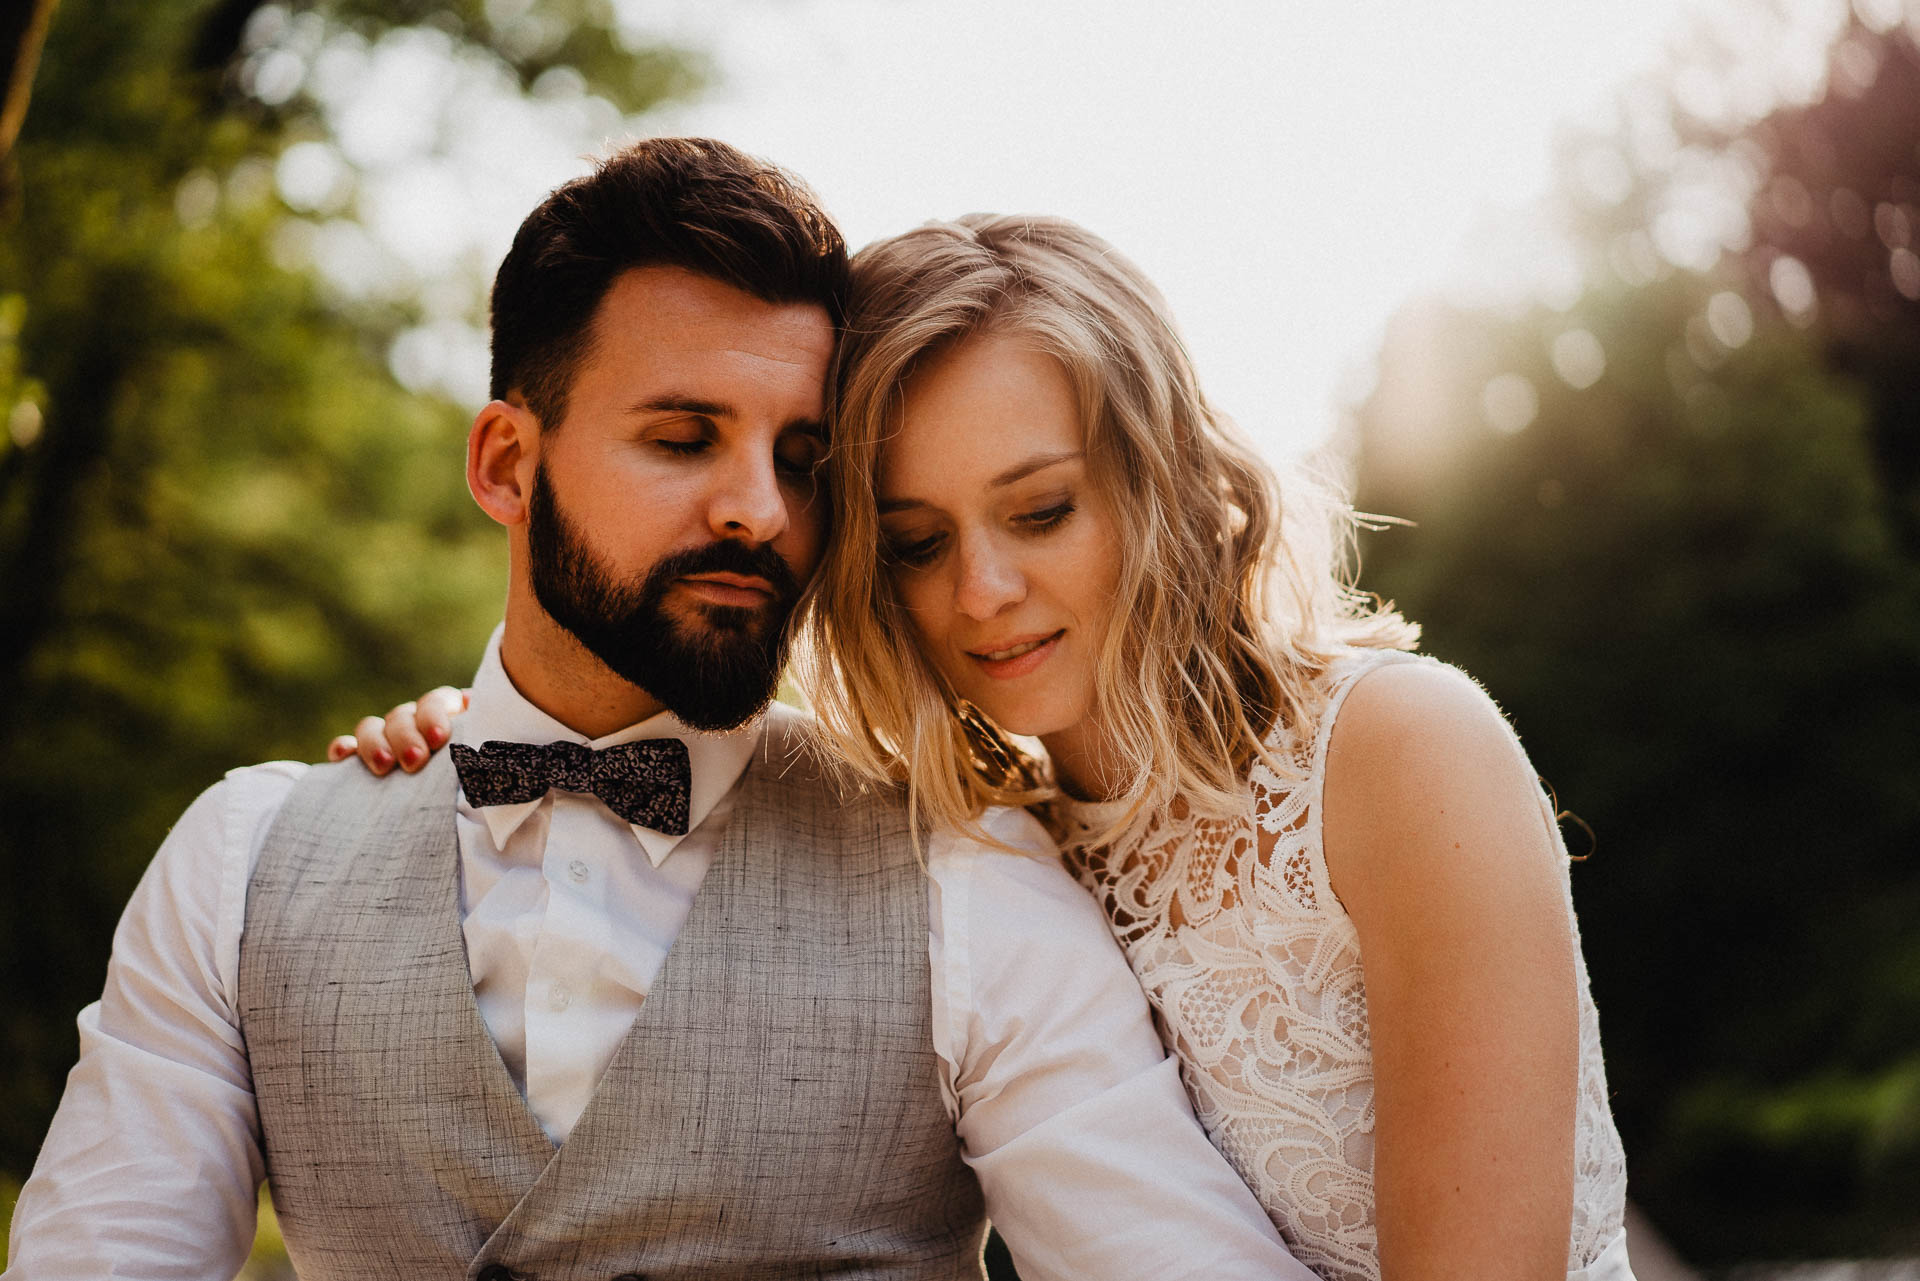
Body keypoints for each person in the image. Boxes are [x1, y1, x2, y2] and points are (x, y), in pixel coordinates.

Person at [5, 142, 1318, 1281]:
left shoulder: (962, 869)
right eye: (684, 438)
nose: (759, 508)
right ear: (509, 463)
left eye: (803, 460)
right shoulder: (241, 865)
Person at [353, 212, 1638, 1280]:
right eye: (918, 541)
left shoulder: (1400, 751)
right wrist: (487, 741)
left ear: (1161, 477)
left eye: (1040, 511)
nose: (982, 591)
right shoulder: (980, 837)